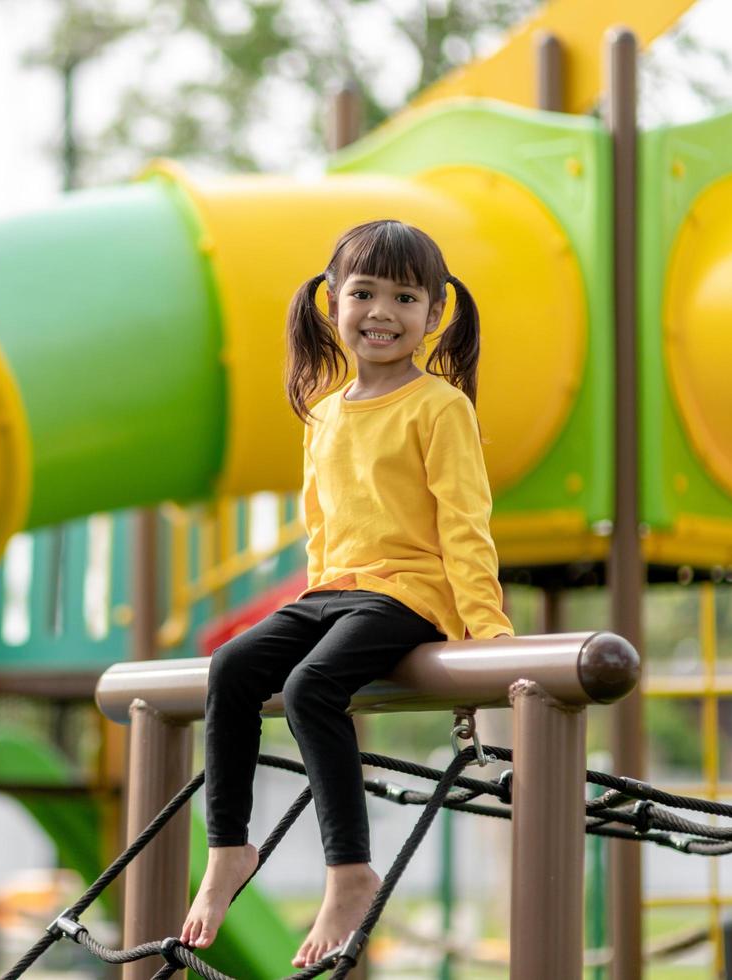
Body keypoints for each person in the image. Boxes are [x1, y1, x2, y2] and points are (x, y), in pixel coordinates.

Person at [179, 219, 514, 968]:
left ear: (435, 314)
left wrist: (485, 633)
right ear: (332, 303)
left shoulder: (439, 406)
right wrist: (309, 604)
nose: (382, 312)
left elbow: (465, 523)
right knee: (232, 669)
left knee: (310, 690)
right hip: (332, 590)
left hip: (409, 593)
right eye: (364, 293)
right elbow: (322, 528)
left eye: (405, 296)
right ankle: (229, 849)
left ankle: (349, 871)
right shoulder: (324, 412)